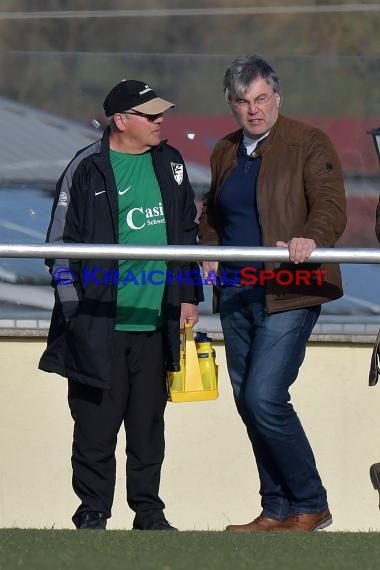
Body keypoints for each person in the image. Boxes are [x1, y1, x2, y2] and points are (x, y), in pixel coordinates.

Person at [39, 79, 202, 531]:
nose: (160, 122)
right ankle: (93, 510)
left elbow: (186, 232)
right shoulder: (86, 166)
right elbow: (57, 246)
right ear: (121, 120)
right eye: (150, 115)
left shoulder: (170, 162)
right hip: (98, 322)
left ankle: (148, 512)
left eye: (160, 114)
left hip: (156, 321)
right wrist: (74, 309)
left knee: (148, 425)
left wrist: (188, 295)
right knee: (95, 426)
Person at [198, 55, 346, 532]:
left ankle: (311, 502)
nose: (254, 110)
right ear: (231, 105)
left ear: (277, 97)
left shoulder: (308, 142)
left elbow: (330, 206)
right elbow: (213, 216)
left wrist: (310, 237)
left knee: (265, 396)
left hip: (291, 285)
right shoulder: (224, 151)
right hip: (237, 290)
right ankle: (277, 509)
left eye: (262, 99)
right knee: (247, 401)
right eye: (243, 102)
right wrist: (208, 248)